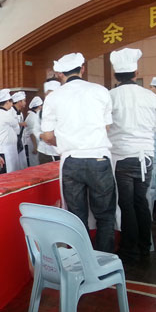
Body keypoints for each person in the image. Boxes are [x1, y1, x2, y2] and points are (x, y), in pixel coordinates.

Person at [41, 52, 116, 252]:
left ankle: (82, 263)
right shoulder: (101, 91)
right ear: (83, 69)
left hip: (71, 161)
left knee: (76, 215)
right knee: (105, 214)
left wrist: (65, 140)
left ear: (60, 75)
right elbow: (107, 127)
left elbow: (47, 135)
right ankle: (104, 261)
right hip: (99, 159)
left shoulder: (53, 97)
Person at [107, 48, 156, 264]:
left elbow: (106, 127)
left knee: (126, 204)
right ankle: (144, 246)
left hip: (121, 157)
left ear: (115, 75)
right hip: (145, 157)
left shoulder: (110, 96)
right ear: (136, 73)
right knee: (141, 201)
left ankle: (129, 251)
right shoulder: (150, 96)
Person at [0, 88, 20, 174]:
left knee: (14, 172)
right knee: (10, 173)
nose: (12, 105)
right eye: (11, 102)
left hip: (10, 148)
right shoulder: (4, 114)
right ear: (7, 102)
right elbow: (16, 126)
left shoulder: (2, 112)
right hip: (6, 150)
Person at [37, 80, 61, 164]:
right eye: (48, 94)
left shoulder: (63, 110)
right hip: (45, 151)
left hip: (61, 151)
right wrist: (41, 135)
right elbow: (35, 128)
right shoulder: (40, 111)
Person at [11, 91, 28, 169]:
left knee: (22, 164)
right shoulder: (10, 111)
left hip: (20, 141)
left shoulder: (20, 113)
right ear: (19, 101)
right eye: (24, 100)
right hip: (13, 142)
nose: (25, 103)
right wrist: (20, 124)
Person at [25, 96, 43, 167]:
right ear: (39, 106)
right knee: (34, 163)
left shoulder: (34, 115)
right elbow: (31, 133)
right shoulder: (32, 117)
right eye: (41, 105)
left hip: (36, 142)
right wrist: (35, 146)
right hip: (33, 143)